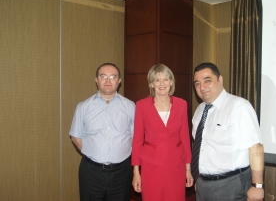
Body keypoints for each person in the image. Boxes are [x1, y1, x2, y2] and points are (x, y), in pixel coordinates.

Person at [191, 62, 264, 201]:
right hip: (202, 185)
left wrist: (257, 185)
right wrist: (199, 179)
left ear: (220, 80)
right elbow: (201, 148)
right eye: (197, 83)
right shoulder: (199, 110)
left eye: (207, 81)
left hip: (231, 185)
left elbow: (256, 147)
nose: (202, 87)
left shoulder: (239, 106)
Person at [69, 63, 135, 201]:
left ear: (119, 81)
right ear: (96, 80)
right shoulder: (83, 107)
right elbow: (75, 136)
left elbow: (135, 137)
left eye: (113, 77)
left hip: (121, 172)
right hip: (91, 172)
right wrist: (94, 154)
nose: (108, 81)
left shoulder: (130, 106)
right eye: (103, 76)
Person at [131, 64, 194, 201]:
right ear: (152, 84)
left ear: (171, 82)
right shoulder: (141, 105)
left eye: (166, 79)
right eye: (157, 80)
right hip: (151, 165)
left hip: (176, 165)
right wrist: (136, 172)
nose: (162, 83)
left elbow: (185, 137)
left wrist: (188, 169)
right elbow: (137, 141)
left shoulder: (181, 104)